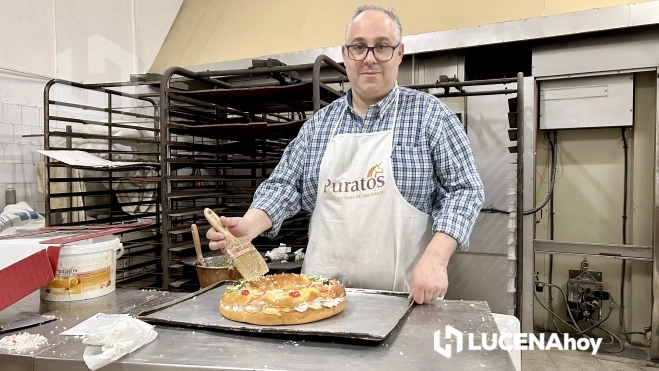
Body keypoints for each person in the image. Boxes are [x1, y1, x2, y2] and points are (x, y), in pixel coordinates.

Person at [207, 4, 484, 304]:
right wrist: (249, 226)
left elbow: (464, 191)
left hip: (405, 300)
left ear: (400, 53)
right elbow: (284, 187)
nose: (369, 59)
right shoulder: (318, 127)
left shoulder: (431, 117)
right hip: (318, 300)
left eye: (381, 47)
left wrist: (437, 258)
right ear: (345, 53)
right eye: (358, 47)